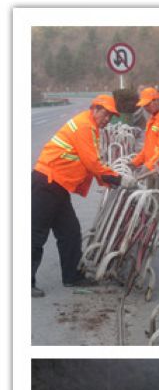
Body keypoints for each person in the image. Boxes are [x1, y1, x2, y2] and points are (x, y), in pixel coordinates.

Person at [31, 94, 135, 296]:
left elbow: (90, 165)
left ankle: (72, 277)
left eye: (111, 116)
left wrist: (108, 181)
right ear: (95, 109)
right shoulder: (85, 126)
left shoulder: (91, 127)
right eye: (105, 114)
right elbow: (92, 164)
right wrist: (120, 180)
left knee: (70, 232)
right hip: (47, 183)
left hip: (58, 185)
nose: (108, 119)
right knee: (36, 234)